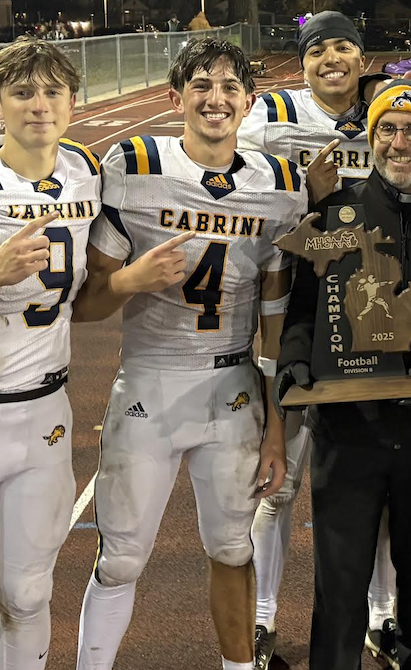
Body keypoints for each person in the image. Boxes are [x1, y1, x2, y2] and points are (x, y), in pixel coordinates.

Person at [73, 38, 303, 670]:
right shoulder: (134, 164)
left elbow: (276, 326)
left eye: (231, 86)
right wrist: (124, 282)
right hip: (149, 380)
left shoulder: (279, 186)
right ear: (176, 97)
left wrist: (277, 429)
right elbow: (84, 306)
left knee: (233, 547)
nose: (216, 98)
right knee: (120, 555)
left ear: (250, 102)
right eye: (202, 84)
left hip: (231, 387)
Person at [276, 78, 411, 670]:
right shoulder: (334, 212)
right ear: (371, 138)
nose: (399, 142)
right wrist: (297, 362)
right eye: (387, 130)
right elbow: (304, 308)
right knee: (340, 586)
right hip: (348, 429)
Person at [236, 12, 399, 669]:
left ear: (362, 58)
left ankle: (383, 619)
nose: (332, 58)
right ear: (301, 63)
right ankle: (262, 619)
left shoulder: (391, 107)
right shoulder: (271, 114)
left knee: (381, 487)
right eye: (318, 49)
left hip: (376, 315)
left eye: (344, 47)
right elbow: (244, 198)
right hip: (296, 316)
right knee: (277, 485)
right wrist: (307, 196)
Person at [0, 36, 100, 670]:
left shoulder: (87, 171)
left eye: (52, 92)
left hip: (45, 412)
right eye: (21, 92)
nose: (39, 105)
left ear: (72, 102)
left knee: (28, 593)